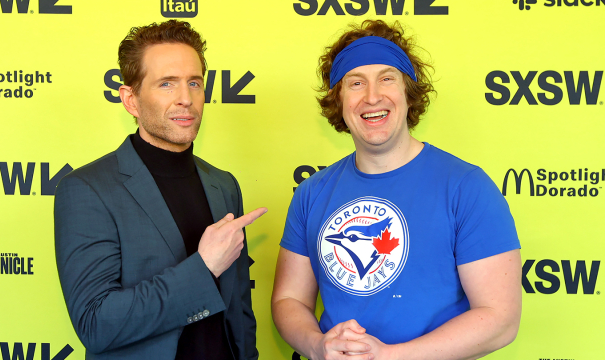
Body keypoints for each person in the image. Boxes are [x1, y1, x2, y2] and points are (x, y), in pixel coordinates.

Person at [272, 20, 521, 360]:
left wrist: (390, 355)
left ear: (408, 91)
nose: (372, 96)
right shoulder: (312, 193)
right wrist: (317, 345)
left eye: (387, 78)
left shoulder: (467, 187)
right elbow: (290, 300)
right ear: (339, 100)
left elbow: (500, 319)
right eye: (355, 83)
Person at [54, 20, 265, 360]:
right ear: (131, 100)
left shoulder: (223, 185)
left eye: (194, 83)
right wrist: (203, 267)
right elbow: (95, 324)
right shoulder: (87, 189)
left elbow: (239, 314)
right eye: (167, 84)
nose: (186, 99)